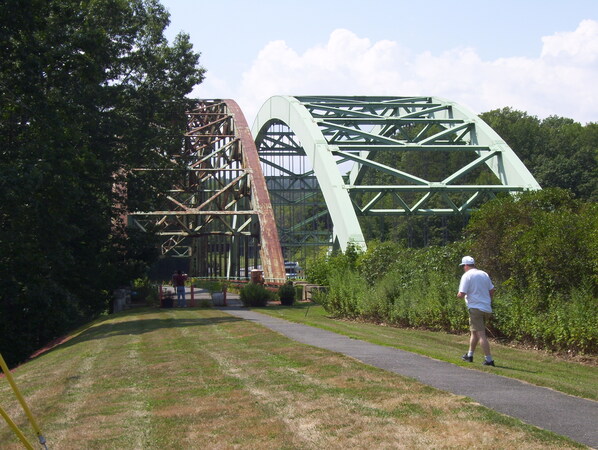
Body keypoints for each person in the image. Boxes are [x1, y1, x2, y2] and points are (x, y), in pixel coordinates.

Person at [457, 256, 496, 366]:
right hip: (486, 308)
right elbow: (492, 290)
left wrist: (458, 296)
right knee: (474, 332)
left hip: (475, 308)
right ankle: (469, 355)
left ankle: (489, 359)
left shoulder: (467, 276)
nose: (463, 268)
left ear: (466, 265)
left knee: (481, 334)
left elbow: (462, 294)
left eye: (463, 266)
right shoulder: (484, 274)